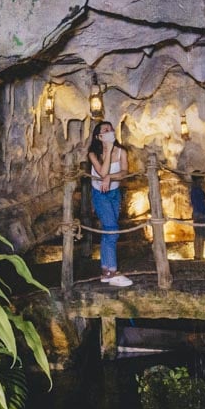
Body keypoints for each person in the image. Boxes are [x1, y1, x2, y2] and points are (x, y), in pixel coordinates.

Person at [87, 121, 133, 287]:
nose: (110, 131)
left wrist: (110, 177)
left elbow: (124, 172)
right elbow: (102, 172)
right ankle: (113, 272)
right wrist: (108, 149)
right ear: (99, 136)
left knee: (108, 231)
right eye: (105, 130)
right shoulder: (93, 154)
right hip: (100, 195)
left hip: (114, 193)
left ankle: (106, 271)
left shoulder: (121, 151)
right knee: (112, 231)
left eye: (111, 129)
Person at [190, 173, 205, 261]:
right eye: (201, 179)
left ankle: (197, 255)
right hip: (201, 215)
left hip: (196, 214)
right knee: (201, 235)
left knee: (198, 235)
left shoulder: (193, 191)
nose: (202, 181)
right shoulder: (199, 191)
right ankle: (200, 255)